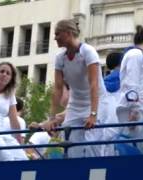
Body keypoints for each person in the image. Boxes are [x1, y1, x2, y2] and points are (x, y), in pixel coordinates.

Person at [38, 19, 108, 158]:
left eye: (57, 34)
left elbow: (94, 84)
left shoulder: (88, 51)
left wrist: (93, 114)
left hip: (96, 103)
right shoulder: (60, 58)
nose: (54, 37)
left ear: (68, 33)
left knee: (92, 145)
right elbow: (58, 89)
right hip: (75, 105)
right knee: (70, 144)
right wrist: (51, 119)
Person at [115, 25, 143, 154]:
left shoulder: (137, 56)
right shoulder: (135, 55)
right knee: (133, 149)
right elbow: (132, 83)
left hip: (140, 110)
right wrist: (134, 109)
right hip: (134, 111)